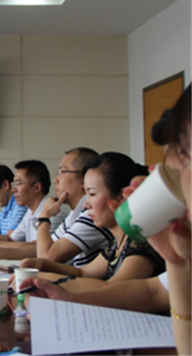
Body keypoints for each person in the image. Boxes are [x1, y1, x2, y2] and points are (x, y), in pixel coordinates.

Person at [20, 85, 191, 355]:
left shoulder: (137, 243)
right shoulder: (171, 242)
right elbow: (155, 291)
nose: (166, 176)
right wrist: (177, 261)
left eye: (181, 160)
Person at [19, 152, 164, 293]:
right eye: (86, 194)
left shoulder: (140, 242)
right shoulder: (117, 241)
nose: (86, 204)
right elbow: (83, 273)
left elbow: (111, 290)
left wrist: (42, 278)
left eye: (92, 194)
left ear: (121, 196)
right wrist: (44, 264)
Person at [36, 147, 112, 267]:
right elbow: (48, 248)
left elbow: (46, 258)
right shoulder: (76, 213)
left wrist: (44, 217)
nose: (55, 180)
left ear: (83, 178)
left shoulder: (93, 215)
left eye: (62, 172)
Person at [0, 160, 68, 260]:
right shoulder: (30, 211)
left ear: (37, 187)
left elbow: (36, 248)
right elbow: (12, 239)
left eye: (18, 183)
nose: (13, 189)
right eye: (14, 184)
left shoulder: (54, 211)